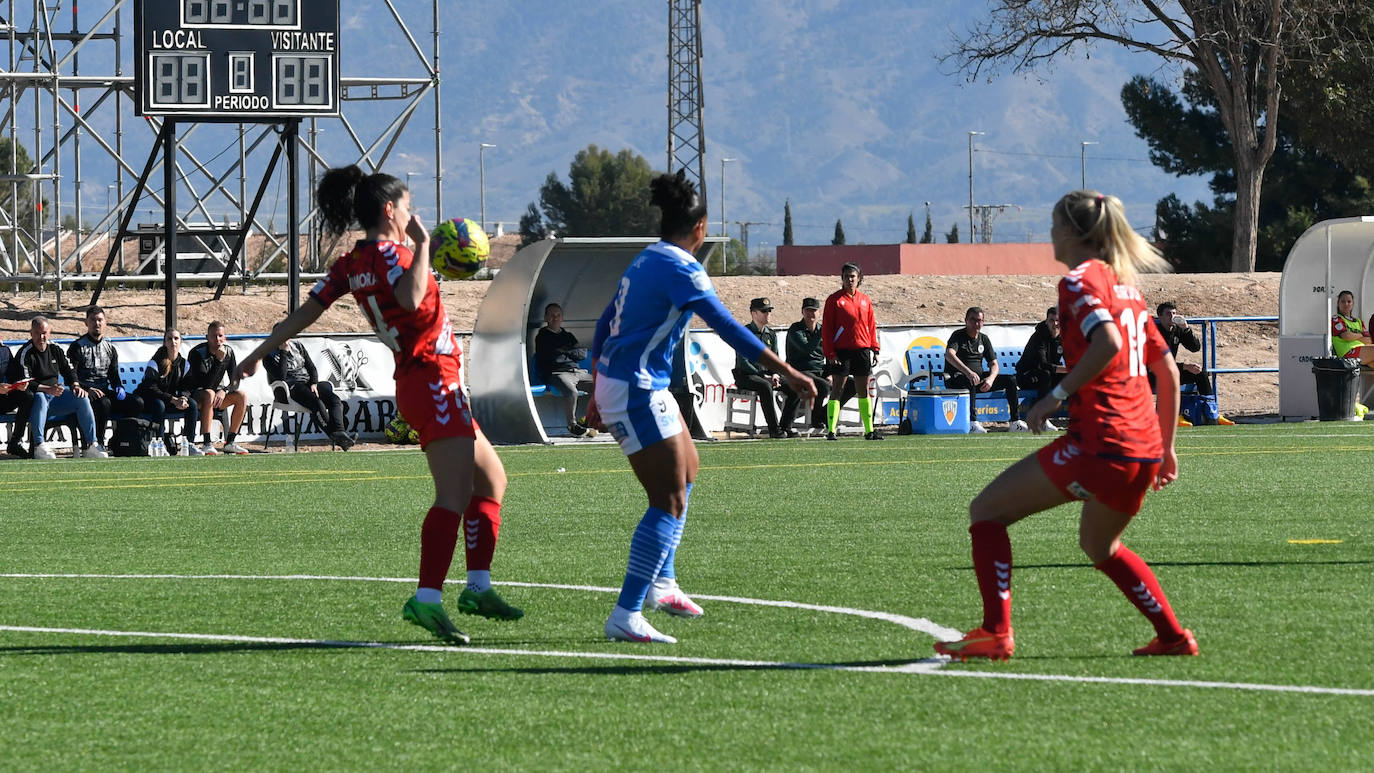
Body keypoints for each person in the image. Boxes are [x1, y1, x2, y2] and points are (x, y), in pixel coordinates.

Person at [234, 164, 522, 646]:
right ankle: (427, 598)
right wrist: (424, 246)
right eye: (408, 207)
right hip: (432, 379)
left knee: (491, 479)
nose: (413, 215)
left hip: (425, 383)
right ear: (390, 210)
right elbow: (409, 300)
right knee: (453, 496)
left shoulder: (352, 262)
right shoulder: (394, 254)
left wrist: (260, 352)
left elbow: (307, 312)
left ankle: (478, 588)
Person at [935, 190, 1197, 662]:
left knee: (986, 511)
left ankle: (995, 632)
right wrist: (1167, 447)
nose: (1050, 233)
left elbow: (1108, 342)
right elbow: (1168, 372)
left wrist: (1053, 396)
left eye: (1055, 224)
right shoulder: (1127, 288)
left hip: (1101, 444)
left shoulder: (1078, 282)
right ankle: (1173, 636)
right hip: (1140, 448)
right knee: (1100, 545)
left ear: (1075, 233)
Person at [586, 169, 816, 644]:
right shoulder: (682, 268)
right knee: (668, 499)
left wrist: (596, 384)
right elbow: (730, 329)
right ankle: (626, 612)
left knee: (688, 468)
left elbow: (605, 322)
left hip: (629, 382)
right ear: (700, 227)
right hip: (634, 388)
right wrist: (790, 372)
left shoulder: (647, 258)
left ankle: (664, 583)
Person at [14, 315, 108, 459]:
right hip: (36, 399)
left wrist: (75, 385)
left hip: (56, 397)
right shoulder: (26, 353)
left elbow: (69, 370)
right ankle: (39, 445)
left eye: (44, 333)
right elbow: (25, 382)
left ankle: (91, 444)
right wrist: (47, 389)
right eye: (37, 333)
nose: (41, 337)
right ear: (31, 333)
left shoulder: (55, 349)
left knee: (82, 397)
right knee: (40, 397)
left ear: (49, 332)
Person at [821, 262, 882, 441]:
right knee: (837, 390)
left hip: (862, 350)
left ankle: (869, 431)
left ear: (859, 278)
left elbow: (871, 325)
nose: (850, 279)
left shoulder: (865, 300)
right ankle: (831, 430)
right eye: (846, 276)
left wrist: (875, 348)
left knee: (863, 390)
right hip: (842, 352)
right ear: (842, 278)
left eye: (853, 276)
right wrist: (830, 354)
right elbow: (827, 329)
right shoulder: (834, 300)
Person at [944, 306, 1028, 433]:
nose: (976, 324)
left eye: (979, 320)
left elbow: (994, 364)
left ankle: (1015, 422)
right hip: (957, 379)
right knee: (971, 380)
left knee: (1010, 380)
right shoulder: (958, 336)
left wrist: (990, 379)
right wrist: (968, 372)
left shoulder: (984, 339)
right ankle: (972, 423)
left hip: (977, 379)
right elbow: (949, 355)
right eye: (973, 320)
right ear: (966, 320)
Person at [263, 337, 358, 450]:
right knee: (317, 403)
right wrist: (283, 352)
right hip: (290, 387)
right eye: (281, 336)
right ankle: (339, 438)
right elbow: (281, 377)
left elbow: (311, 367)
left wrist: (314, 383)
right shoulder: (268, 355)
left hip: (308, 383)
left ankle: (340, 433)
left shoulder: (298, 346)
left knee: (335, 400)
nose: (285, 339)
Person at [68, 305, 142, 447]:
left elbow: (113, 375)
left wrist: (119, 387)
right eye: (93, 320)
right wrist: (86, 389)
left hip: (104, 391)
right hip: (85, 394)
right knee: (104, 404)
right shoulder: (77, 347)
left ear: (105, 322)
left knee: (137, 402)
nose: (97, 323)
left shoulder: (110, 348)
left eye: (100, 320)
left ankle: (121, 440)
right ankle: (97, 444)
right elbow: (71, 375)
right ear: (86, 323)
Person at [1155, 301, 1233, 426]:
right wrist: (1184, 366)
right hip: (1150, 373)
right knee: (1169, 375)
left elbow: (1195, 347)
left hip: (1170, 370)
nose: (1172, 316)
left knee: (1200, 373)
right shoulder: (1153, 332)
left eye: (1174, 313)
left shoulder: (1177, 329)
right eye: (1168, 314)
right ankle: (1174, 416)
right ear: (1160, 316)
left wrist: (1186, 329)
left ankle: (1212, 413)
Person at [779, 296, 849, 436]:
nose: (811, 314)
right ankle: (815, 419)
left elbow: (831, 353)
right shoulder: (796, 329)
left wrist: (831, 373)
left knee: (849, 384)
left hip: (819, 370)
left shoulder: (822, 329)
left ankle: (824, 414)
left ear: (819, 313)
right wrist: (821, 334)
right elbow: (807, 349)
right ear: (802, 312)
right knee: (822, 385)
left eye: (814, 311)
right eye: (808, 310)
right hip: (800, 370)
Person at [533, 302, 594, 437]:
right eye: (552, 315)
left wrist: (564, 351)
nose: (555, 318)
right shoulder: (542, 336)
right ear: (546, 318)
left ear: (562, 317)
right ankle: (572, 425)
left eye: (558, 315)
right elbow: (550, 357)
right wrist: (569, 351)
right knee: (571, 392)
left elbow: (582, 354)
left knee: (602, 386)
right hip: (558, 373)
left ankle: (590, 420)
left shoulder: (568, 336)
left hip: (577, 372)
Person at [187, 321, 249, 455]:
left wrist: (224, 390)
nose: (217, 339)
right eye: (213, 336)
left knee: (241, 396)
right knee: (209, 393)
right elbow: (206, 384)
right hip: (198, 395)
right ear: (207, 337)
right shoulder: (197, 353)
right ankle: (207, 443)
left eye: (220, 336)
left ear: (225, 337)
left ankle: (230, 442)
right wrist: (218, 361)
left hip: (217, 395)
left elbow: (235, 380)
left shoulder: (229, 351)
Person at [731, 297, 786, 439]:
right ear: (753, 313)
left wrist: (775, 374)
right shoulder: (744, 333)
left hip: (766, 375)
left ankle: (786, 426)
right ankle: (774, 429)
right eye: (764, 311)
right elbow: (743, 362)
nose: (768, 314)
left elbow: (775, 358)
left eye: (769, 311)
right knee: (765, 386)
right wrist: (763, 376)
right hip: (746, 375)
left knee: (792, 385)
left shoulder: (770, 334)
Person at [135, 328, 197, 452]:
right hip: (149, 400)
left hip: (169, 400)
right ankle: (160, 443)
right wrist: (172, 399)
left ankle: (189, 443)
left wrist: (183, 398)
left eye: (176, 338)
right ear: (164, 342)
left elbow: (188, 386)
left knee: (192, 404)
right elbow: (151, 388)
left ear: (181, 342)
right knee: (159, 405)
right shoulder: (155, 362)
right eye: (169, 339)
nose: (173, 342)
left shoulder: (184, 364)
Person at [1015, 306, 1066, 431]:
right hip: (1027, 376)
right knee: (1046, 375)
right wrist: (1067, 369)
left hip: (1047, 375)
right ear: (1046, 321)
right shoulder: (1038, 337)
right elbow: (1043, 364)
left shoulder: (1063, 337)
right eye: (1052, 320)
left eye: (1058, 320)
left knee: (1073, 378)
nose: (1055, 324)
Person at [1, 342, 35, 457]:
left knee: (27, 396)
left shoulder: (4, 351)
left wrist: (18, 384)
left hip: (3, 397)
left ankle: (15, 442)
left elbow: (13, 374)